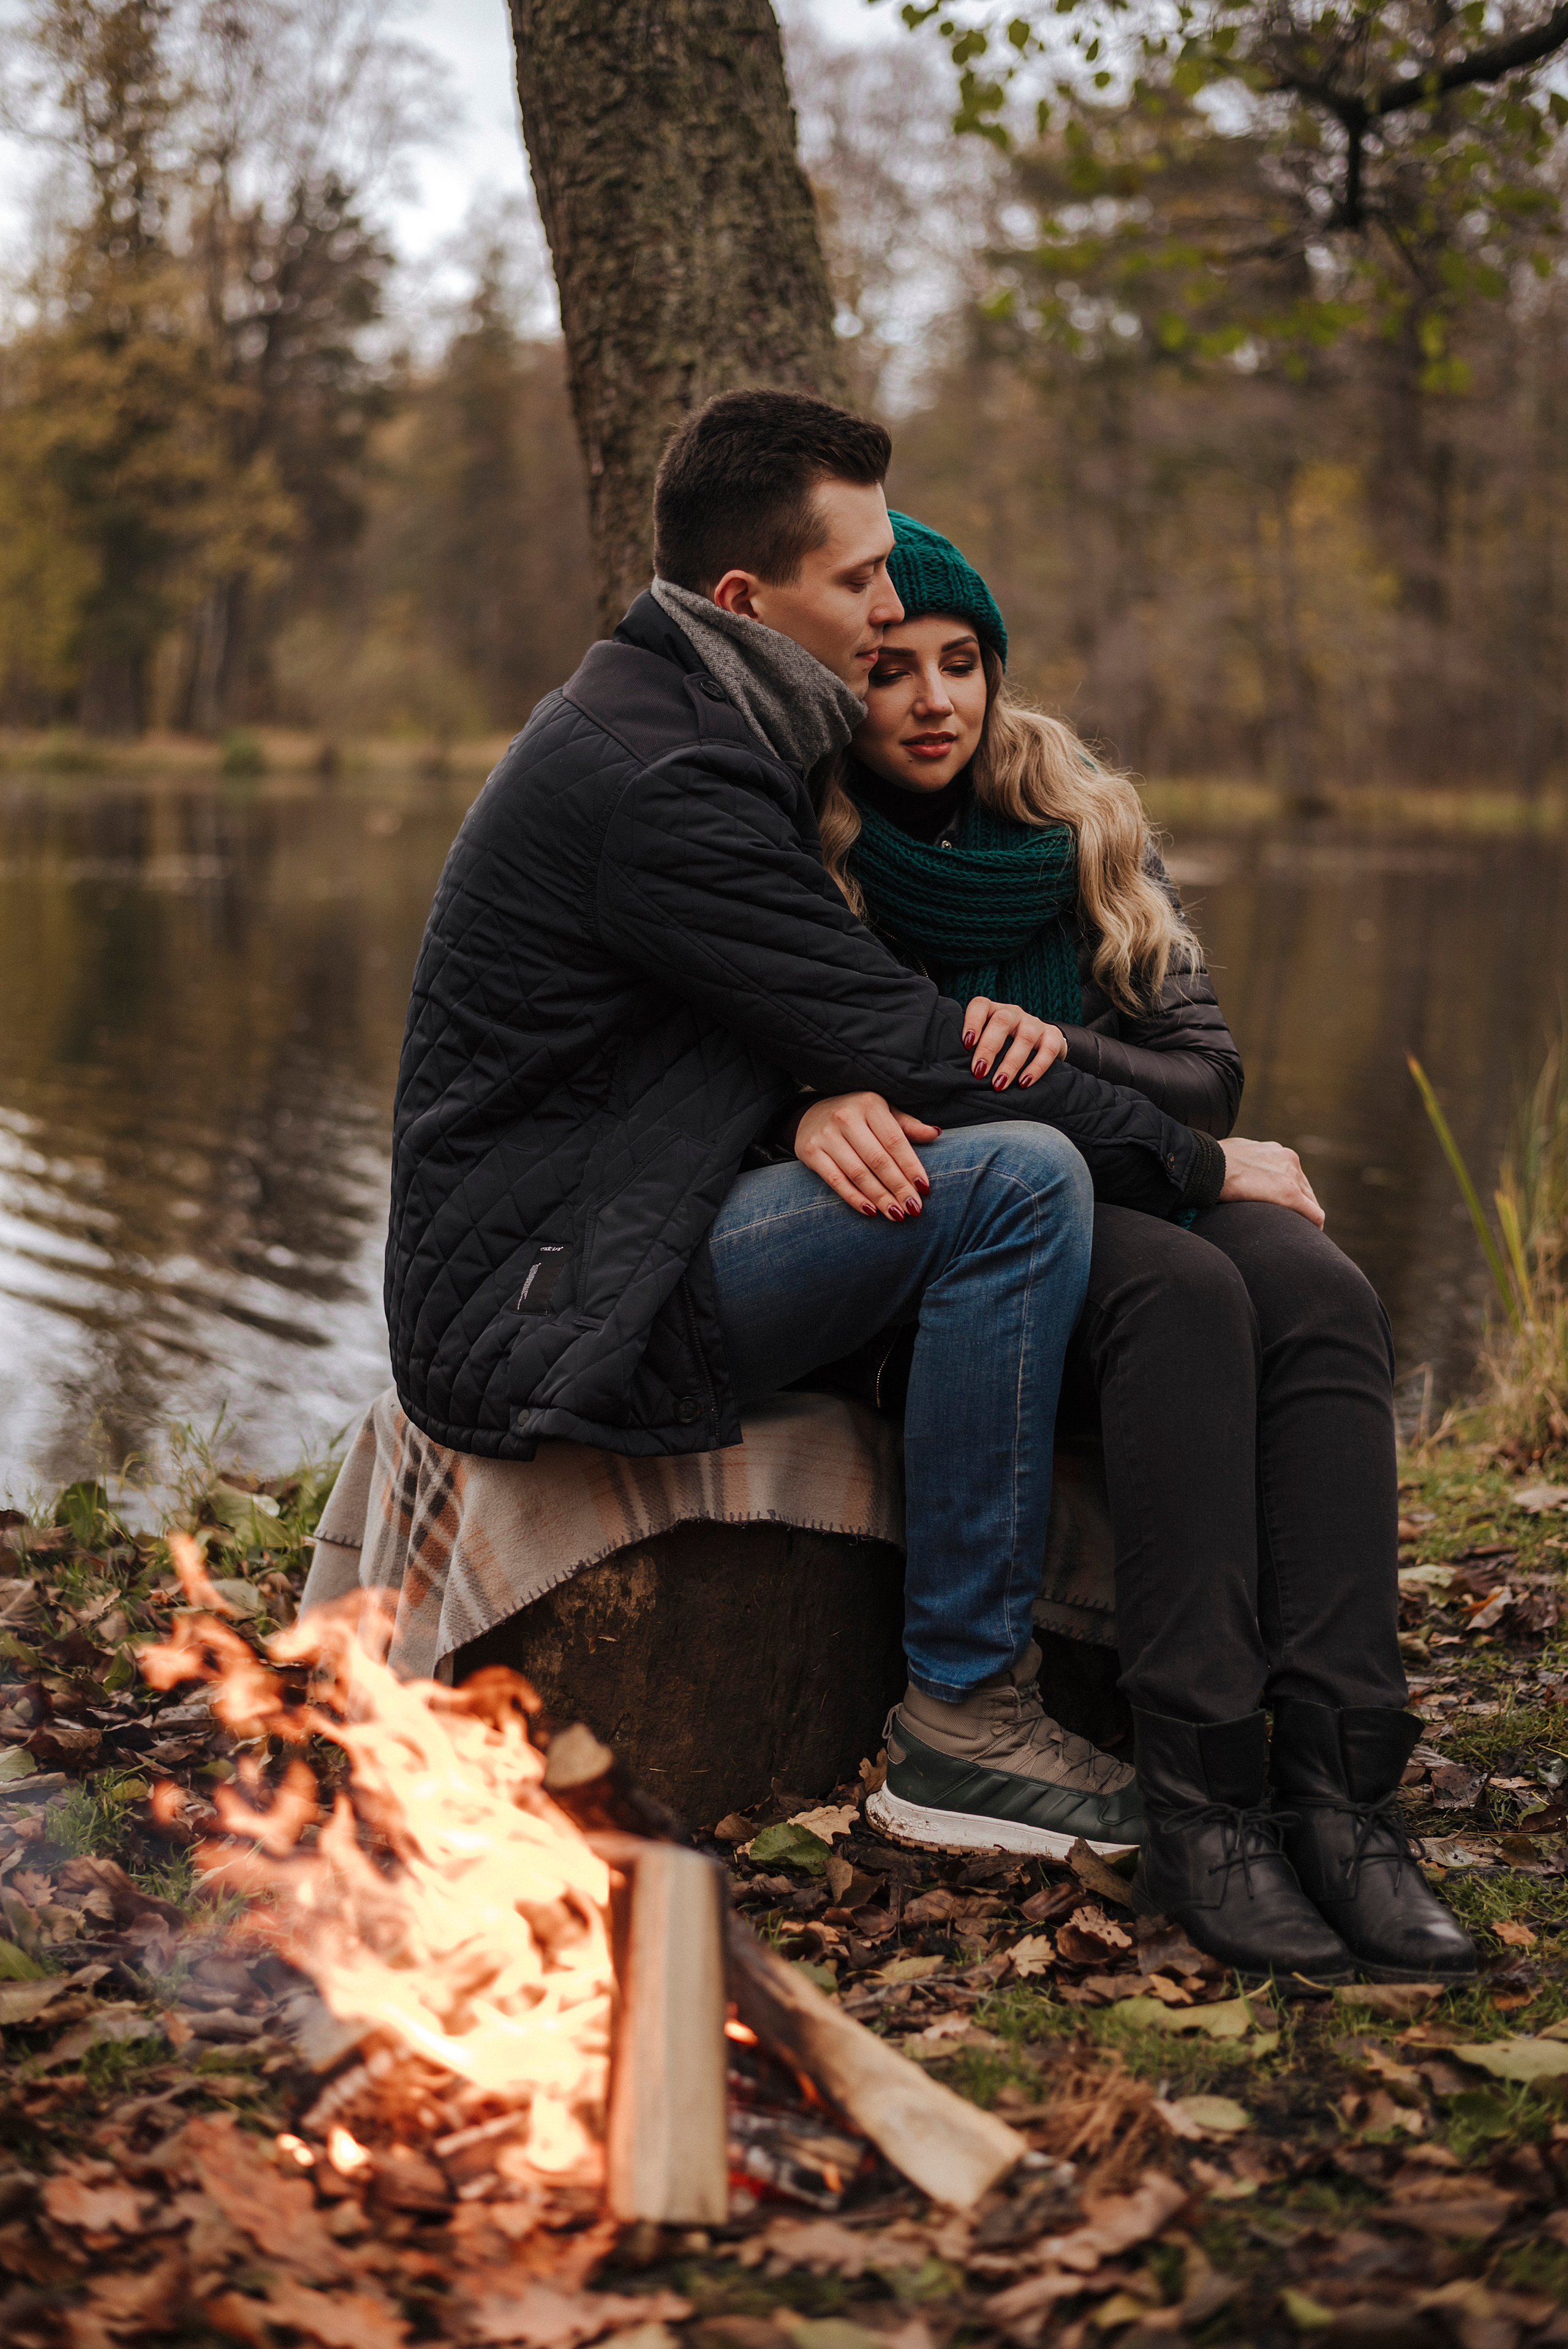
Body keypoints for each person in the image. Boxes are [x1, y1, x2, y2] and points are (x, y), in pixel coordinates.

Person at [386, 387, 1343, 1878]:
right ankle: (963, 1724)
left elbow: (763, 1015)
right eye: (859, 582)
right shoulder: (673, 776)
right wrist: (1203, 1165)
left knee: (1055, 1194)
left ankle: (1311, 1742)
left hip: (621, 1218)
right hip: (551, 1294)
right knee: (1015, 1181)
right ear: (744, 599)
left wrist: (821, 1078)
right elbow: (912, 1044)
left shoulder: (695, 718)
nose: (890, 608)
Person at [790, 509, 1476, 1988]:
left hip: (1131, 1175)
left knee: (1314, 1288)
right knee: (1178, 1289)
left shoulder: (1078, 820)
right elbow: (920, 1091)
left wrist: (1065, 1054)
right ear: (838, 686)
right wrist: (1075, 1088)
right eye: (890, 670)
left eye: (960, 663)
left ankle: (1345, 1791)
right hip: (962, 1240)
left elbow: (1205, 1082)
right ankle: (1203, 1795)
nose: (932, 701)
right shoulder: (813, 844)